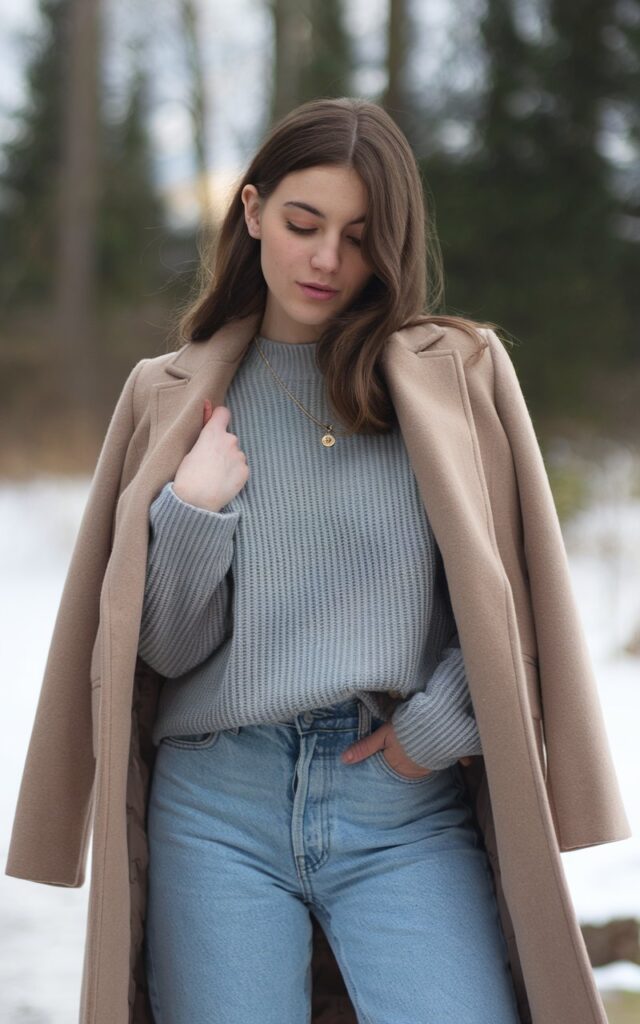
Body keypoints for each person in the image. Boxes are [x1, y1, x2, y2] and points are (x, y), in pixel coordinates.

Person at [138, 96, 521, 1022]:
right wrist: (192, 511)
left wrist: (438, 730)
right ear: (253, 210)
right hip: (215, 805)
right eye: (304, 224)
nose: (325, 259)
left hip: (400, 802)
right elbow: (159, 653)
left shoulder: (453, 379)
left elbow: (515, 597)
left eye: (358, 236)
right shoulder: (172, 391)